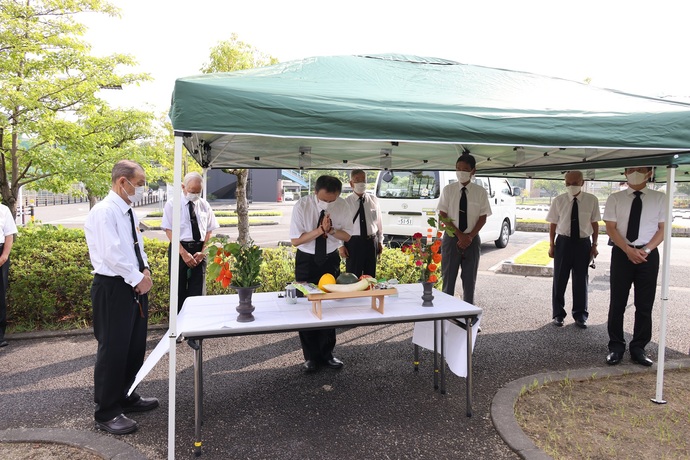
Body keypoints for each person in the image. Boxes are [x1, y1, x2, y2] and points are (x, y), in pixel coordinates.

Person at [84, 160, 158, 435]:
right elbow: (111, 254)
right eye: (139, 184)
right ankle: (107, 412)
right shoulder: (104, 212)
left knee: (134, 346)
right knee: (113, 349)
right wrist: (138, 278)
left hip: (133, 283)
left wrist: (145, 269)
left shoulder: (128, 212)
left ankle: (127, 395)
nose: (141, 189)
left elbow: (136, 246)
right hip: (114, 286)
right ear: (122, 182)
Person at [603, 166, 665, 366]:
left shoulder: (659, 198)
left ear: (649, 173)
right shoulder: (615, 198)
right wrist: (628, 250)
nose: (635, 172)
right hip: (622, 254)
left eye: (641, 169)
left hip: (648, 255)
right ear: (625, 173)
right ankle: (616, 347)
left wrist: (645, 250)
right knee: (617, 302)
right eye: (631, 169)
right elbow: (610, 228)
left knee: (645, 304)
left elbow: (663, 229)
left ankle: (639, 347)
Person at [290, 175, 352, 373]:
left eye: (332, 200)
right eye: (324, 200)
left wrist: (331, 231)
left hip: (330, 258)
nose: (328, 203)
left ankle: (328, 354)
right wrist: (320, 230)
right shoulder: (302, 205)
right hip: (306, 260)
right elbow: (296, 240)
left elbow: (348, 235)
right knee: (307, 306)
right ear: (316, 193)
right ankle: (310, 357)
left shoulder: (342, 206)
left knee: (329, 305)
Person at [546, 170, 600, 328]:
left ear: (582, 183)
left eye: (575, 183)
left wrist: (594, 245)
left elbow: (595, 223)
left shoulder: (591, 200)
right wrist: (551, 244)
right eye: (568, 183)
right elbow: (553, 224)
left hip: (583, 243)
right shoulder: (559, 200)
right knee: (559, 279)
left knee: (581, 280)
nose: (571, 186)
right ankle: (558, 314)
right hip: (563, 242)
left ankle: (580, 315)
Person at [161, 171, 219, 313]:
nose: (195, 194)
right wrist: (183, 253)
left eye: (198, 192)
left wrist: (203, 252)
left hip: (199, 249)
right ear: (183, 187)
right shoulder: (172, 204)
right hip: (179, 248)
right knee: (177, 290)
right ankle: (178, 327)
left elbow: (209, 231)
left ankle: (196, 330)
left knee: (198, 290)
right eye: (192, 191)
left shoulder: (204, 205)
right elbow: (169, 230)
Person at [437, 154, 491, 304]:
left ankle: (469, 319)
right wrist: (460, 235)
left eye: (465, 169)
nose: (461, 172)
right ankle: (446, 315)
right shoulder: (448, 190)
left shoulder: (480, 192)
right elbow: (442, 215)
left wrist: (469, 236)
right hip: (451, 239)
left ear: (473, 171)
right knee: (448, 279)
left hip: (472, 240)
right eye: (458, 169)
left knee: (469, 281)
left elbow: (483, 217)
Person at [339, 169, 383, 278]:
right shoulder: (345, 202)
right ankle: (355, 295)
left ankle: (370, 295)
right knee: (353, 275)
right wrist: (340, 246)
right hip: (353, 243)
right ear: (351, 183)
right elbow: (339, 226)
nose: (361, 183)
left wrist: (380, 241)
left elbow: (379, 223)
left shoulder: (373, 200)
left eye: (363, 180)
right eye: (357, 180)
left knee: (370, 275)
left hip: (371, 241)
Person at [0, 202, 17, 348]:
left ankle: (0, 336)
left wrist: (4, 256)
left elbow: (9, 235)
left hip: (0, 255)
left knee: (0, 295)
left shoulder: (3, 209)